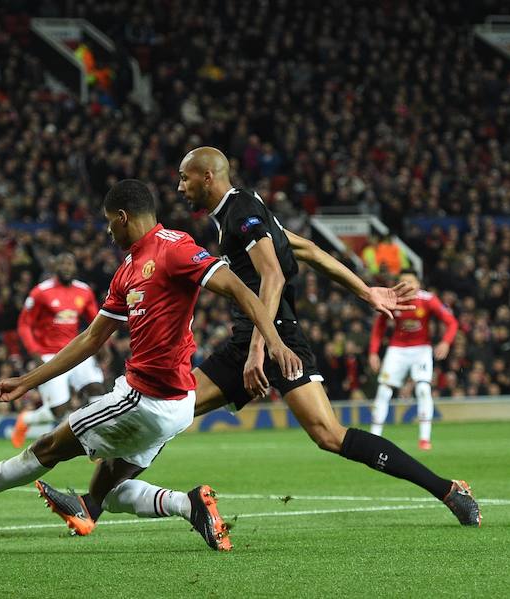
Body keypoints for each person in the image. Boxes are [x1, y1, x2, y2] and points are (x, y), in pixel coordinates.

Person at [39, 147, 480, 535]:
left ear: (207, 177)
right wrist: (364, 291)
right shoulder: (244, 213)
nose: (178, 187)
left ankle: (447, 489)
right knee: (171, 407)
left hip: (275, 338)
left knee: (328, 434)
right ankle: (91, 505)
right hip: (251, 341)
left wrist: (257, 350)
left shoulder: (239, 211)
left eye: (184, 177)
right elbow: (302, 249)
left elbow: (272, 273)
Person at [0, 179, 303, 551]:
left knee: (49, 446)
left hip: (147, 399)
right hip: (174, 403)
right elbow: (90, 338)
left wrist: (273, 340)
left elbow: (241, 290)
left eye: (110, 222)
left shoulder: (174, 248)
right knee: (108, 490)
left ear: (123, 217)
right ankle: (188, 504)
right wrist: (27, 381)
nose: (108, 231)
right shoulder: (126, 271)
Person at [11, 252, 104, 448]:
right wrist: (35, 353)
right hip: (49, 354)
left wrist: (104, 344)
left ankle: (98, 441)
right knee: (58, 411)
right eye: (62, 263)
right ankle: (26, 420)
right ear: (55, 267)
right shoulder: (41, 292)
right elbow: (24, 325)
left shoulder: (84, 291)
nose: (67, 267)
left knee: (96, 388)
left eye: (70, 264)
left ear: (75, 267)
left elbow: (97, 321)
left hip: (77, 350)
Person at [369, 270, 458, 449]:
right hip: (397, 349)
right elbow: (379, 327)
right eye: (403, 281)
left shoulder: (428, 299)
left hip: (421, 349)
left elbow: (452, 322)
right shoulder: (392, 299)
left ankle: (424, 438)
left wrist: (446, 343)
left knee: (424, 389)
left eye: (410, 281)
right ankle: (373, 438)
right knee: (384, 391)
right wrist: (373, 352)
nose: (407, 285)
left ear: (418, 284)